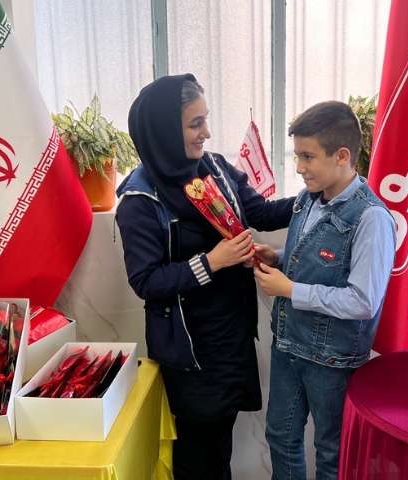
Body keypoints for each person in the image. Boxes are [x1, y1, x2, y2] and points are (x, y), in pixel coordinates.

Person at [115, 73, 295, 480]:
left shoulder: (212, 168)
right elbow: (146, 281)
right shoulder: (140, 200)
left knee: (219, 446)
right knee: (197, 454)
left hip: (230, 336)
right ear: (164, 129)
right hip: (190, 352)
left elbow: (260, 213)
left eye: (205, 119)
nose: (206, 133)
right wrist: (211, 262)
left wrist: (320, 193)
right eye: (195, 124)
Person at [253, 101, 396, 480]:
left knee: (332, 450)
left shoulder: (371, 219)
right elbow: (317, 257)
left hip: (332, 360)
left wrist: (290, 289)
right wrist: (278, 257)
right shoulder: (307, 199)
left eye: (308, 157)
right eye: (297, 156)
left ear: (342, 156)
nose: (299, 167)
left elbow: (363, 301)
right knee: (280, 437)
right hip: (288, 344)